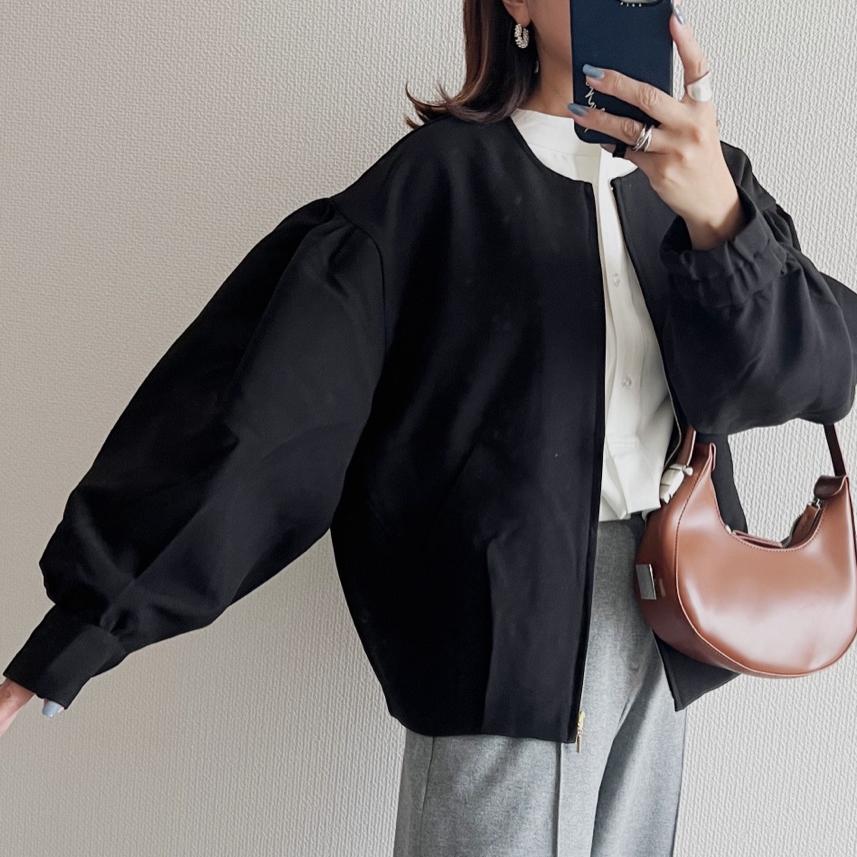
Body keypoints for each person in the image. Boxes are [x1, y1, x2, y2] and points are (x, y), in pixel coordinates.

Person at [3, 0, 856, 854]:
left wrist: (719, 222)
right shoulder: (431, 185)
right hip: (499, 624)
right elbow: (268, 415)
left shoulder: (712, 180)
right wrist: (85, 627)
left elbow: (811, 378)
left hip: (670, 610)